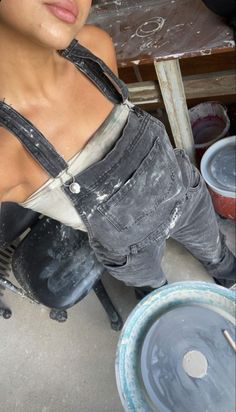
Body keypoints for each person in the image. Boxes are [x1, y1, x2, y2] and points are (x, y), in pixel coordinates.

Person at [0, 0, 235, 296]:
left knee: (216, 251)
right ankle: (156, 294)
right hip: (131, 252)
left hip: (185, 195)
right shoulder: (5, 155)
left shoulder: (93, 48)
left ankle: (225, 271)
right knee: (153, 291)